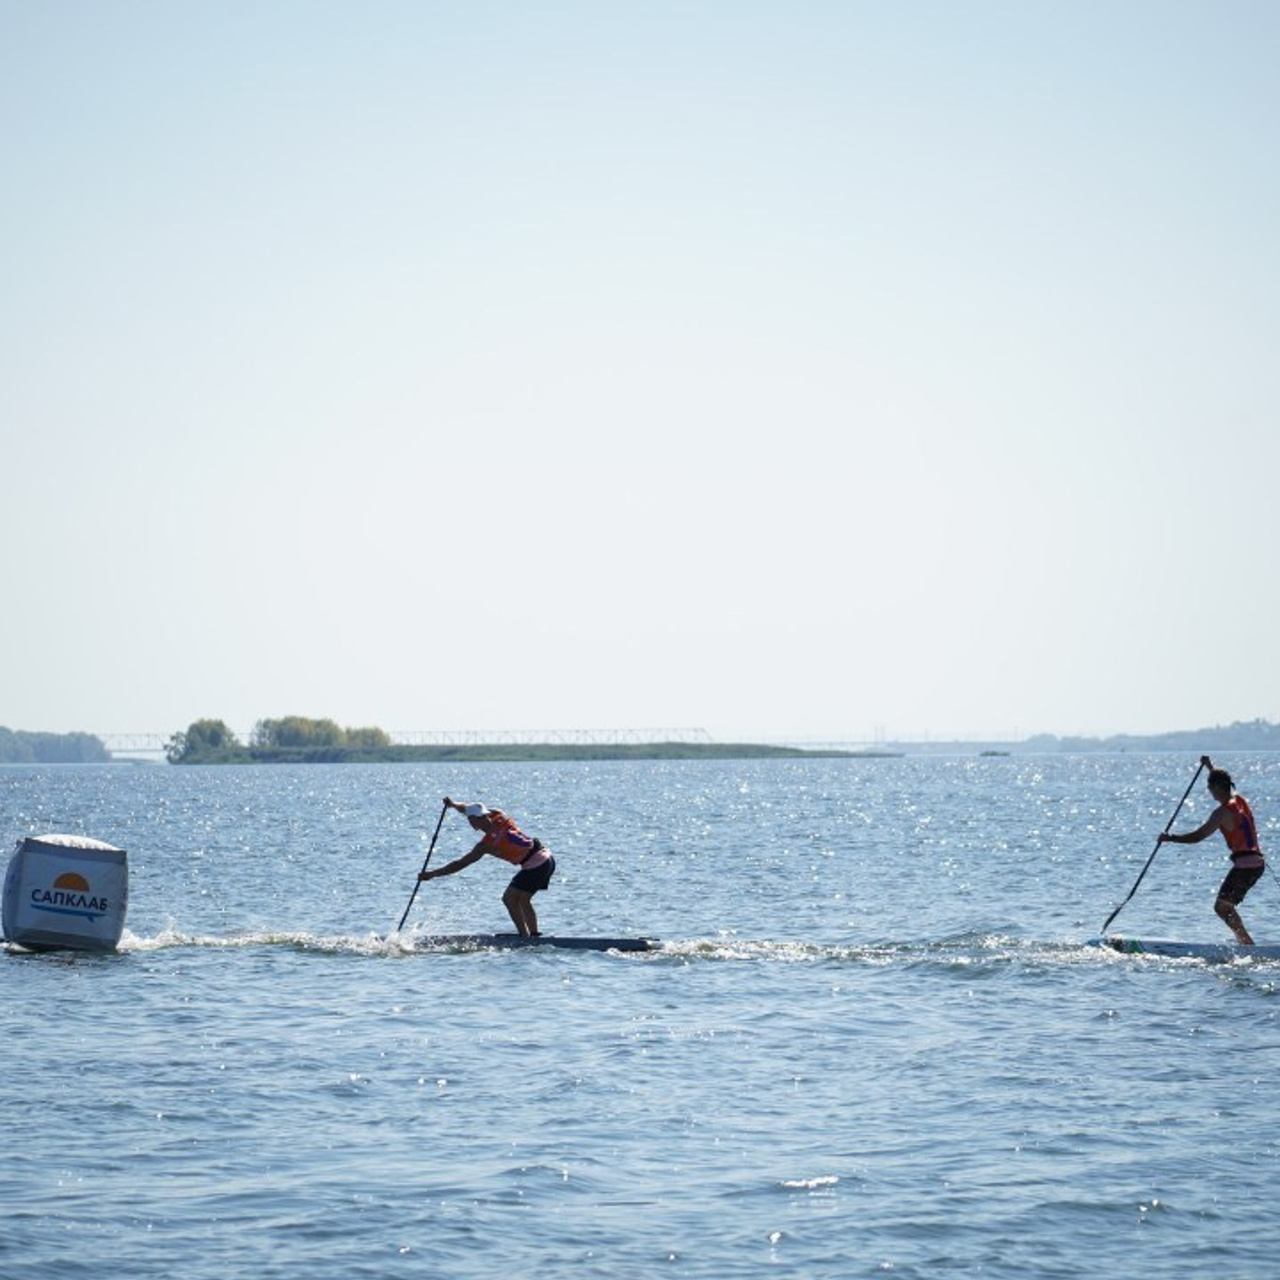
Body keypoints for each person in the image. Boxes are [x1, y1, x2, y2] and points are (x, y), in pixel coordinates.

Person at [1158, 756, 1265, 945]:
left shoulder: (1222, 813)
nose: (1210, 793)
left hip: (1245, 866)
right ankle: (1246, 943)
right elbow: (1222, 782)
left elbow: (1198, 836)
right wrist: (1210, 768)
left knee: (1222, 908)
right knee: (1225, 906)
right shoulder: (1240, 800)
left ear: (1215, 788)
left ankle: (1247, 945)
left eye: (1210, 788)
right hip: (1257, 864)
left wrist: (1170, 838)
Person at [419, 797, 555, 937]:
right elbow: (466, 809)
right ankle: (534, 935)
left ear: (473, 822)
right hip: (547, 859)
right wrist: (453, 805)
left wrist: (432, 874)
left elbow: (461, 864)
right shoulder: (498, 815)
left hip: (535, 866)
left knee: (509, 899)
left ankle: (524, 936)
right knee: (523, 899)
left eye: (470, 819)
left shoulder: (485, 845)